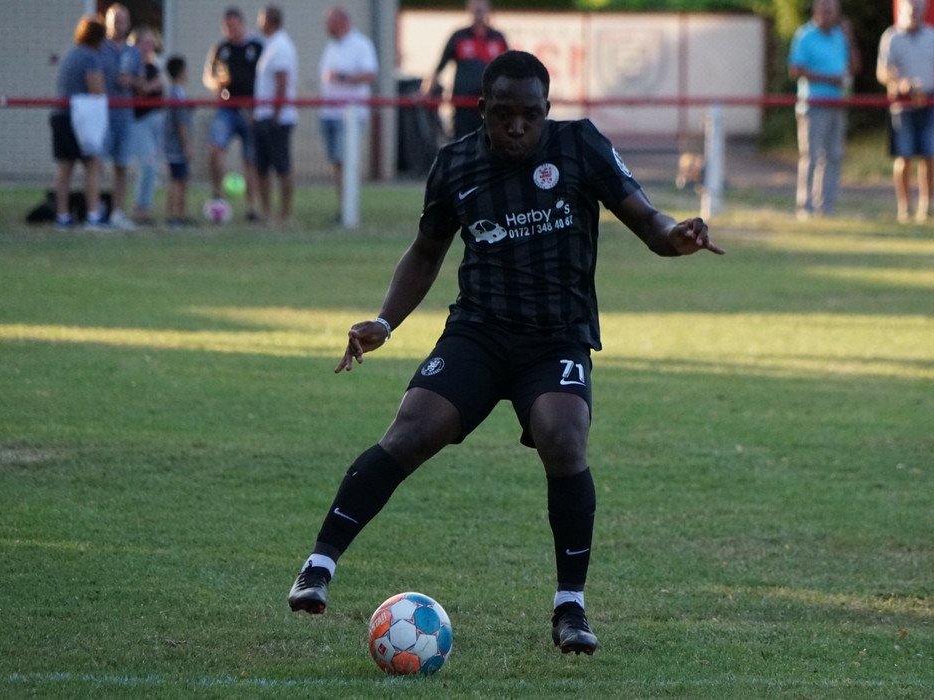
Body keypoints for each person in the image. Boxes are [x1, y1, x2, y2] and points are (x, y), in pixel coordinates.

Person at [287, 50, 725, 656]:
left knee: (563, 437)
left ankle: (570, 606)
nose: (518, 127)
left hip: (556, 337)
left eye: (531, 115)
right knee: (412, 430)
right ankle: (318, 566)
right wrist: (386, 321)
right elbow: (426, 251)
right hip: (480, 332)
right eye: (503, 115)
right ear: (481, 109)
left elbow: (649, 221)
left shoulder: (579, 147)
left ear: (547, 110)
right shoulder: (455, 164)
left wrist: (677, 236)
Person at [787, 0, 858, 220]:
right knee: (811, 156)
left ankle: (826, 206)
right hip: (814, 104)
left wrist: (850, 39)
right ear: (817, 12)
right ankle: (805, 206)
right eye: (825, 11)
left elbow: (854, 67)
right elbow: (795, 70)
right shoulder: (805, 35)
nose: (829, 15)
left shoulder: (840, 36)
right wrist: (829, 79)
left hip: (837, 103)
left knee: (834, 156)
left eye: (832, 11)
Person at [203, 6, 264, 221]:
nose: (230, 30)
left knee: (251, 159)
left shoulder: (257, 47)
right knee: (215, 148)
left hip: (251, 110)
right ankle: (218, 195)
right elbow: (209, 76)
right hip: (227, 108)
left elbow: (266, 77)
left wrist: (258, 107)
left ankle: (252, 208)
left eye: (234, 25)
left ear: (242, 24)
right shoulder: (221, 49)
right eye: (226, 26)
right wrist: (217, 84)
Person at [877, 0, 934, 223]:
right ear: (902, 9)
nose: (914, 13)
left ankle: (926, 205)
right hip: (902, 105)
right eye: (910, 8)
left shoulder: (931, 36)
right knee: (904, 156)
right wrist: (900, 83)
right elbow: (882, 72)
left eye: (918, 9)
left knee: (929, 156)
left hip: (929, 103)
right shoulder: (892, 37)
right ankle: (904, 207)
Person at [318, 6, 378, 213]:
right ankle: (343, 206)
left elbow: (370, 75)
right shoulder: (332, 46)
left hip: (349, 116)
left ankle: (349, 209)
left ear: (342, 21)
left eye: (330, 22)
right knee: (336, 162)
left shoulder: (360, 44)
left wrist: (342, 76)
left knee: (345, 161)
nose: (326, 26)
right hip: (328, 113)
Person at [50, 15, 107, 230]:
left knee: (65, 166)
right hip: (79, 118)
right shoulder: (90, 57)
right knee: (92, 163)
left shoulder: (71, 54)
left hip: (60, 114)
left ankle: (62, 216)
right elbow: (96, 90)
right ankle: (93, 215)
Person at [425, 0, 508, 140]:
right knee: (462, 142)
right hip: (463, 104)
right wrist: (426, 93)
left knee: (490, 142)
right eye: (475, 3)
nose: (478, 7)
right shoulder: (459, 36)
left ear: (488, 7)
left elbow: (508, 70)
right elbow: (440, 67)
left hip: (490, 105)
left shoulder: (498, 38)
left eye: (482, 3)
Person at [99, 3, 144, 230]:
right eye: (116, 21)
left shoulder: (133, 52)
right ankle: (95, 211)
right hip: (101, 115)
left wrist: (132, 81)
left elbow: (142, 85)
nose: (119, 25)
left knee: (122, 165)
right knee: (96, 164)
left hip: (124, 116)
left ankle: (117, 212)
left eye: (123, 21)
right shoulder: (99, 48)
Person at [253, 5, 298, 225]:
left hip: (276, 117)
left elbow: (282, 81)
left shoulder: (280, 46)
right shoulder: (269, 45)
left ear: (268, 21)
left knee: (282, 167)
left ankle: (284, 214)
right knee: (262, 167)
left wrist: (276, 114)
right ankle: (266, 212)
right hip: (263, 115)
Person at [128, 27, 165, 226]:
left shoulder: (153, 66)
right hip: (139, 121)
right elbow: (140, 90)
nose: (150, 46)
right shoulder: (131, 66)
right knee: (148, 164)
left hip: (156, 120)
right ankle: (139, 209)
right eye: (146, 42)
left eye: (152, 42)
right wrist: (150, 86)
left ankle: (145, 209)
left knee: (153, 167)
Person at [164, 55, 194, 228]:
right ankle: (174, 215)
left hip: (177, 146)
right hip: (177, 147)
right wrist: (187, 145)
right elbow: (181, 124)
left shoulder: (180, 93)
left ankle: (181, 213)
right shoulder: (176, 95)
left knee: (183, 179)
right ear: (181, 72)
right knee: (177, 180)